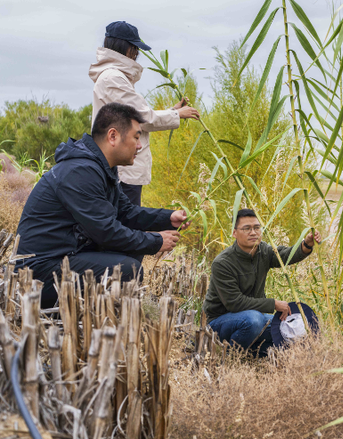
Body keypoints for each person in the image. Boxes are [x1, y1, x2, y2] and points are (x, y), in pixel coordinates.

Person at [15, 103, 189, 308]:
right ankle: (76, 317)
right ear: (113, 136)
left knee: (132, 251)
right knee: (127, 270)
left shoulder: (100, 168)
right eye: (136, 137)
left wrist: (167, 218)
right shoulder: (80, 171)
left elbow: (125, 212)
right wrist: (156, 241)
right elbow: (106, 231)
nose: (140, 145)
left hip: (65, 255)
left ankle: (94, 312)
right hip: (38, 272)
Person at [89, 20, 200, 206]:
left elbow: (134, 114)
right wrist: (177, 115)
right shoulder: (113, 78)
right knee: (127, 222)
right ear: (127, 48)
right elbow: (141, 118)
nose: (137, 54)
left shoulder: (114, 77)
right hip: (122, 168)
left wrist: (172, 110)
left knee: (125, 221)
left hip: (122, 166)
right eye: (135, 49)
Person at [203, 209, 322, 357]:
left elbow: (285, 255)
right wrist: (273, 304)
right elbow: (234, 303)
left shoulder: (263, 251)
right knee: (254, 320)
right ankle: (228, 355)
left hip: (252, 319)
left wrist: (306, 244)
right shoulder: (223, 263)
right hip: (220, 322)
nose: (253, 232)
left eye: (257, 227)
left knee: (288, 328)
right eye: (246, 228)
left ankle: (255, 353)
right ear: (234, 233)